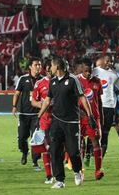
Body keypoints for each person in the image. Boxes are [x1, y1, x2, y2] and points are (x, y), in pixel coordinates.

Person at [38, 57, 95, 189]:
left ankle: (77, 171)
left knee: (73, 151)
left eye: (51, 66)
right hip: (56, 121)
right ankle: (60, 180)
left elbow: (82, 98)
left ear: (57, 67)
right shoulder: (52, 82)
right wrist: (39, 116)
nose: (49, 68)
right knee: (55, 150)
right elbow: (47, 101)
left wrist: (90, 116)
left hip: (72, 122)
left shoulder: (73, 80)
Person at [12, 57, 42, 169]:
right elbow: (17, 93)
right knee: (22, 138)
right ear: (30, 67)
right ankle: (24, 152)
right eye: (36, 65)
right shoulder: (23, 79)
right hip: (24, 114)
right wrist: (14, 106)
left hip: (37, 115)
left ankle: (35, 161)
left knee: (36, 138)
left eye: (39, 65)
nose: (38, 67)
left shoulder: (43, 80)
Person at [77, 59, 104, 180]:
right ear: (82, 69)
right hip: (80, 118)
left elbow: (99, 101)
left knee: (95, 142)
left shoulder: (97, 81)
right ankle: (81, 171)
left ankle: (98, 170)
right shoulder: (76, 80)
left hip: (94, 117)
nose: (88, 73)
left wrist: (101, 118)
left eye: (90, 70)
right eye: (86, 70)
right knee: (80, 144)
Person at [92, 55, 119, 158]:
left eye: (111, 61)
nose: (109, 63)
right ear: (101, 61)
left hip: (110, 107)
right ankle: (90, 153)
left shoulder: (114, 75)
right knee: (94, 130)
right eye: (107, 60)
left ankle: (100, 155)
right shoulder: (94, 71)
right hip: (95, 106)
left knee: (108, 130)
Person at [31, 59, 54, 184]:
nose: (50, 70)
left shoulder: (61, 81)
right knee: (46, 148)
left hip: (60, 119)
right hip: (45, 119)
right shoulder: (39, 83)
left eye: (52, 67)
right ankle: (49, 176)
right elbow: (33, 101)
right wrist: (44, 104)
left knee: (58, 148)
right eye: (49, 68)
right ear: (46, 69)